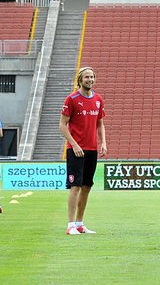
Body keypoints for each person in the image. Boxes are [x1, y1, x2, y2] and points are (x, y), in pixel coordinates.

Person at [60, 66, 107, 235]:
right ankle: (71, 225)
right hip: (76, 150)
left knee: (87, 186)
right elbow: (62, 125)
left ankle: (80, 223)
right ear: (80, 80)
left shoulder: (98, 99)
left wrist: (103, 143)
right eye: (87, 77)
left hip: (92, 149)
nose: (90, 80)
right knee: (75, 186)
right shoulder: (71, 99)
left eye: (92, 77)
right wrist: (74, 144)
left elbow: (100, 123)